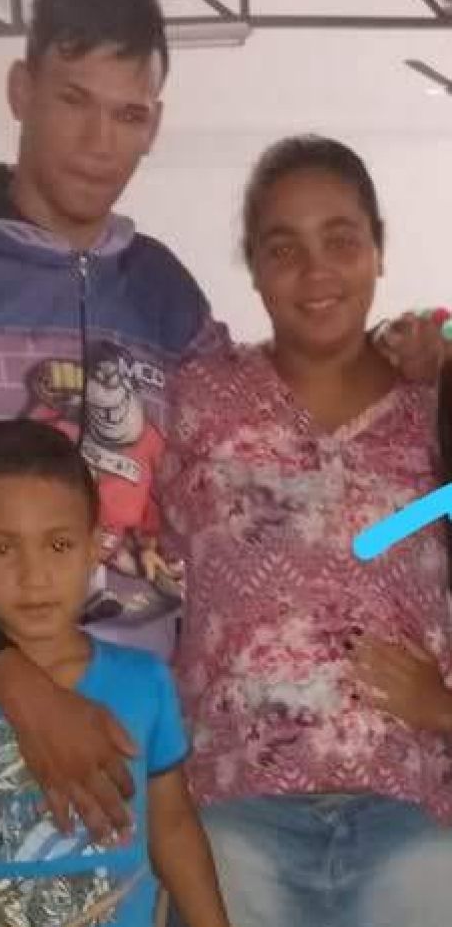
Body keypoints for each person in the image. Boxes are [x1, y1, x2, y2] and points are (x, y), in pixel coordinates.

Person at [0, 0, 439, 838]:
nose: (97, 142)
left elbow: (271, 416)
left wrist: (412, 354)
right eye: (73, 99)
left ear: (154, 124)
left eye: (129, 114)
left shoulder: (161, 293)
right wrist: (16, 684)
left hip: (145, 717)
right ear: (20, 89)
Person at [160, 135, 452, 927]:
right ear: (253, 267)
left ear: (379, 250)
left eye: (341, 240)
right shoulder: (200, 403)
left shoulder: (435, 411)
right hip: (233, 810)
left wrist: (446, 707)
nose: (316, 271)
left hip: (415, 814)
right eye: (283, 248)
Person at [0, 419, 230, 927]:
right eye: (2, 548)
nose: (33, 577)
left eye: (58, 545)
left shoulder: (144, 685)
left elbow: (172, 827)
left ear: (94, 547)